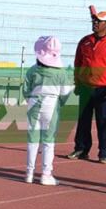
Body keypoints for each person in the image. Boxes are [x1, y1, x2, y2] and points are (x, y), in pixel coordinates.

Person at [24, 36, 73, 185]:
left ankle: (29, 173)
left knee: (32, 140)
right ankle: (46, 174)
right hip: (51, 106)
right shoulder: (62, 73)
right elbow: (65, 93)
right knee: (48, 141)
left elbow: (26, 89)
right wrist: (60, 103)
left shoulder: (33, 70)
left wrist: (30, 99)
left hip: (34, 102)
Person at [67, 10, 106, 164]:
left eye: (99, 21)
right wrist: (77, 83)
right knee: (83, 120)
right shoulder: (85, 41)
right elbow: (78, 63)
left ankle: (104, 152)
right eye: (94, 21)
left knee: (104, 121)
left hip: (104, 89)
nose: (95, 23)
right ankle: (81, 148)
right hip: (85, 87)